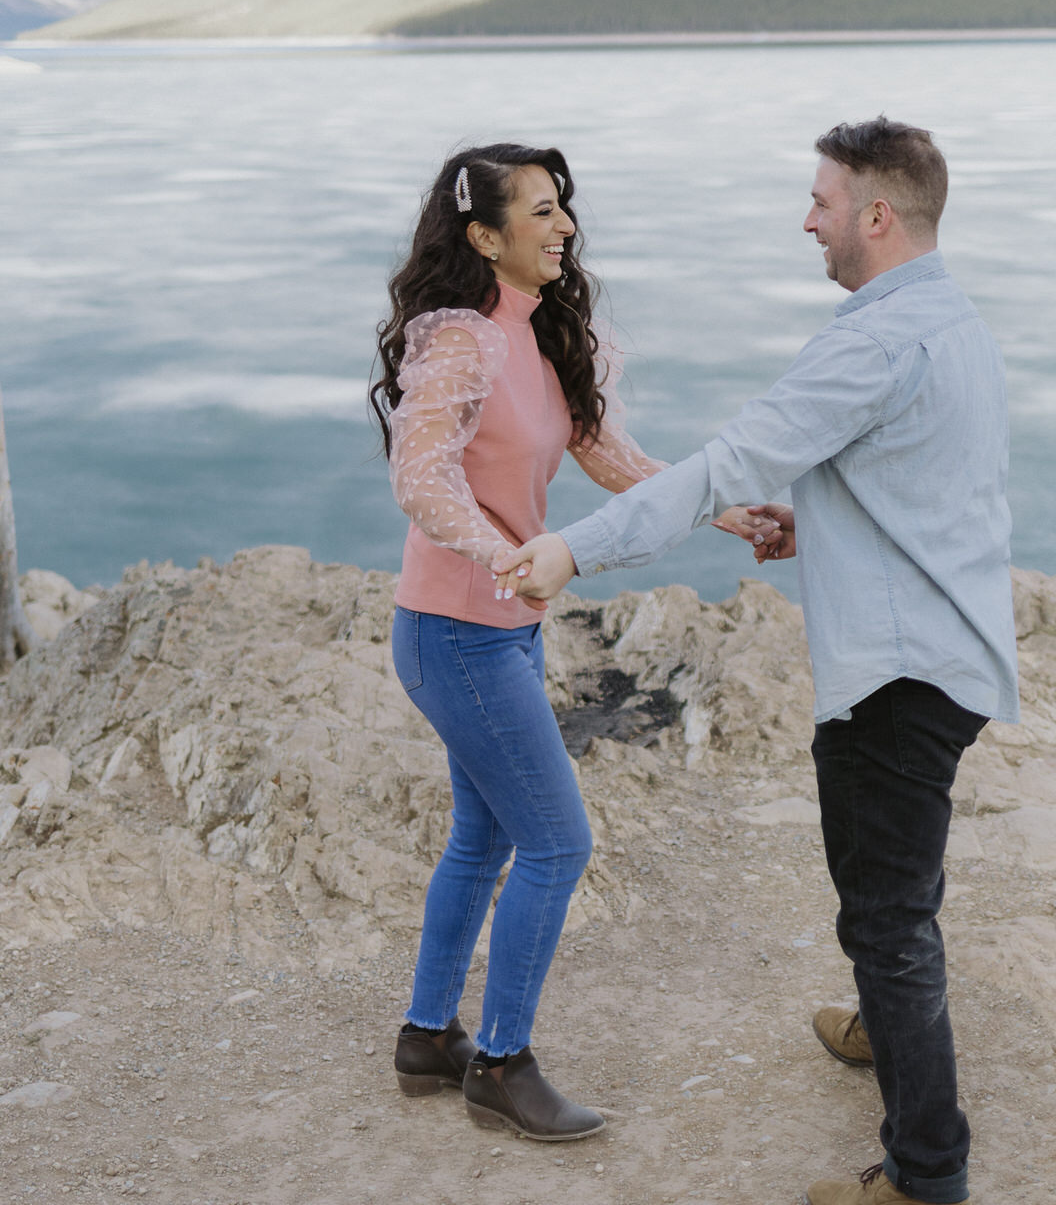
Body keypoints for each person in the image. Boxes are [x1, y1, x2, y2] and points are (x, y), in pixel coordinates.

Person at [496, 118, 1019, 1203]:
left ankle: (926, 1174)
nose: (807, 218)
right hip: (950, 645)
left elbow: (723, 463)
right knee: (897, 886)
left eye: (822, 200)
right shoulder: (949, 318)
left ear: (876, 215)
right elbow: (925, 481)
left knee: (884, 914)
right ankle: (884, 1025)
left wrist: (570, 547)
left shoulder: (868, 340)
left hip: (897, 673)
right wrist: (815, 521)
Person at [370, 141, 773, 1142]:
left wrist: (721, 510)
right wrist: (503, 552)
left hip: (498, 629)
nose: (563, 227)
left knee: (486, 836)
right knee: (557, 841)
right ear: (482, 235)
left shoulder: (540, 331)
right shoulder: (459, 340)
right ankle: (500, 1063)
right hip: (452, 630)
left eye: (563, 209)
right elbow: (421, 479)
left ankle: (427, 1037)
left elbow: (604, 453)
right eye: (539, 212)